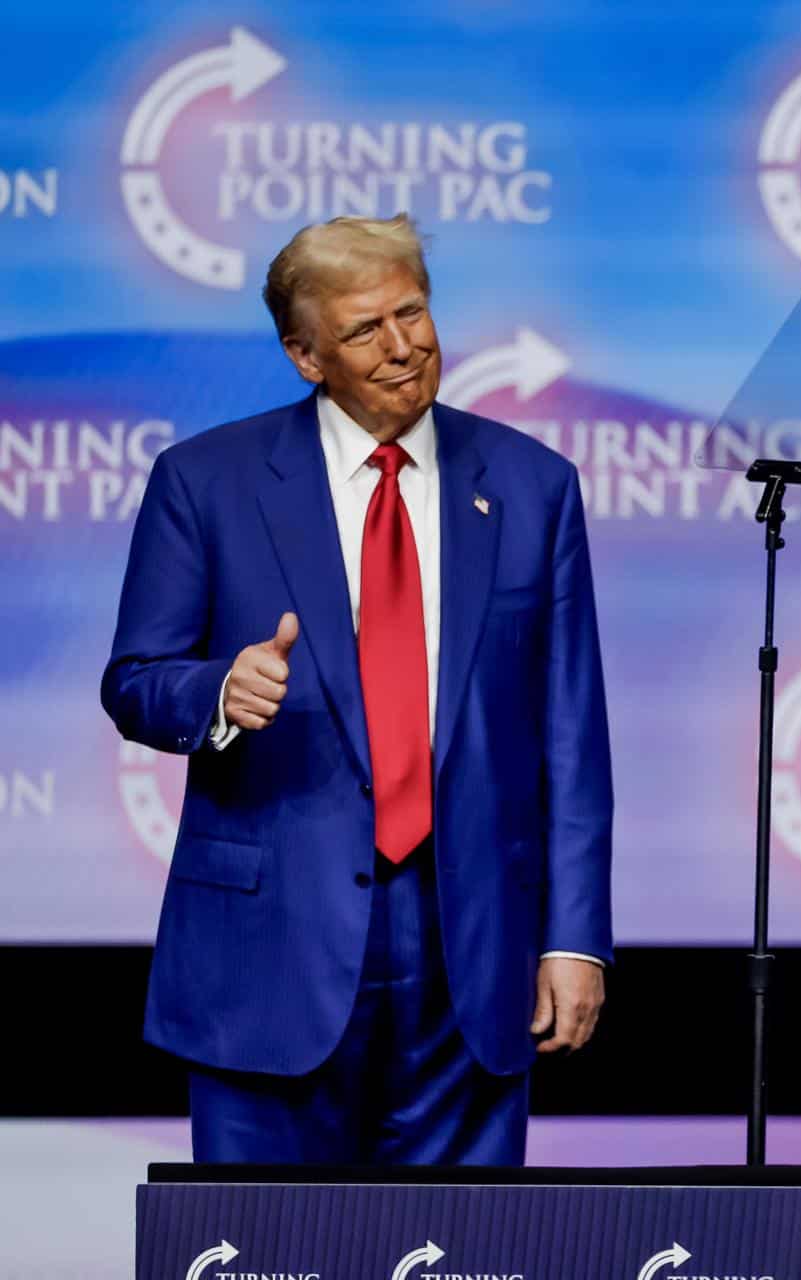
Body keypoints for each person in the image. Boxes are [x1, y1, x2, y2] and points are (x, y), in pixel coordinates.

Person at [101, 214, 612, 1164]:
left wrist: (575, 940)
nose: (404, 345)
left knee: (464, 1261)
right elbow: (135, 682)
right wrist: (218, 690)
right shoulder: (204, 482)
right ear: (305, 356)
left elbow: (572, 735)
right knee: (266, 1257)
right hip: (267, 952)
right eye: (365, 329)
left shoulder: (534, 486)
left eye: (412, 312)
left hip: (473, 951)